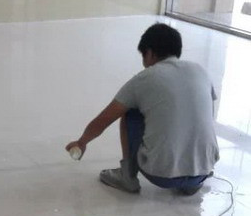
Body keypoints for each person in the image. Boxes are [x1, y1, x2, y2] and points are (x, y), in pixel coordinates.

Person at [65, 23, 219, 196]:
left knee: (130, 111)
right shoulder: (201, 71)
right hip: (203, 171)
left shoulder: (145, 78)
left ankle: (127, 176)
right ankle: (190, 182)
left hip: (161, 175)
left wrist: (82, 142)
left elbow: (104, 120)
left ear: (150, 53)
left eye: (143, 56)